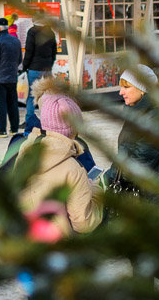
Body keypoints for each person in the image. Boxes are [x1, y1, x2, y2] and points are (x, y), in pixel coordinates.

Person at [15, 92, 101, 235]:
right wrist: (96, 192)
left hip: (25, 237)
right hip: (57, 245)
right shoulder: (73, 168)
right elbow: (84, 223)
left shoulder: (25, 150)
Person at [104, 66, 159, 195]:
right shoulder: (137, 112)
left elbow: (139, 164)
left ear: (142, 90)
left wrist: (105, 178)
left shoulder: (155, 119)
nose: (121, 92)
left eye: (126, 87)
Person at [0, 22, 22, 138]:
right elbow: (20, 59)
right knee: (12, 103)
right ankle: (14, 129)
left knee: (0, 104)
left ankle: (2, 130)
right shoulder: (16, 41)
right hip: (12, 77)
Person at [21, 23, 56, 132]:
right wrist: (50, 64)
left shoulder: (32, 31)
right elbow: (54, 52)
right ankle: (47, 121)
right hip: (47, 69)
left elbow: (29, 51)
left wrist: (25, 66)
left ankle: (30, 121)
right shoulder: (50, 32)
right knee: (47, 96)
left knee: (31, 96)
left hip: (34, 68)